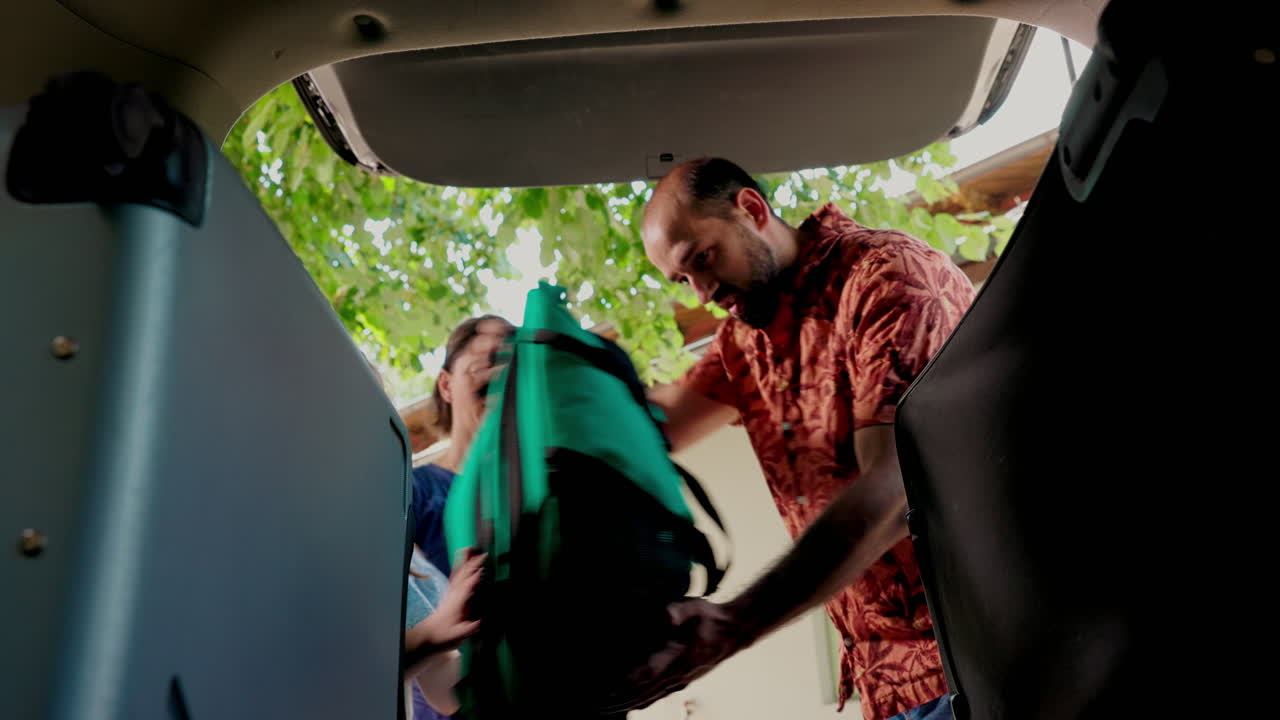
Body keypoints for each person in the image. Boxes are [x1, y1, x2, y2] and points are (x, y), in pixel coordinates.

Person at [625, 158, 974, 720]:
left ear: (752, 210)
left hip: (971, 658)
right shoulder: (747, 339)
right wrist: (550, 396)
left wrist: (733, 625)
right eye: (683, 281)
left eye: (703, 260)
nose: (702, 293)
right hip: (888, 685)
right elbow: (653, 425)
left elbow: (891, 495)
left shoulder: (886, 276)